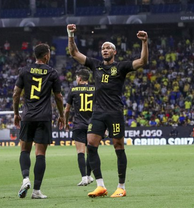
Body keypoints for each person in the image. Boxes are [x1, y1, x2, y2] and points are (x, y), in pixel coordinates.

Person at [67, 24, 148, 198]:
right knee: (91, 145)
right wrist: (71, 34)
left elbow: (142, 62)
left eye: (108, 48)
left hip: (115, 112)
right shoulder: (95, 65)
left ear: (114, 52)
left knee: (118, 146)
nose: (105, 50)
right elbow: (74, 53)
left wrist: (144, 42)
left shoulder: (121, 67)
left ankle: (121, 186)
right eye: (103, 48)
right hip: (98, 113)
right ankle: (100, 185)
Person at [13, 43, 64, 199]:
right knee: (40, 153)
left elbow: (16, 94)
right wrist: (62, 115)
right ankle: (36, 191)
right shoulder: (52, 73)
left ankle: (25, 178)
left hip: (27, 116)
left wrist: (16, 113)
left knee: (24, 150)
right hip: (44, 117)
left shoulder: (24, 71)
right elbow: (58, 97)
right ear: (46, 55)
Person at [64, 68, 95, 186]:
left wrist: (66, 122)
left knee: (80, 152)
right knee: (91, 152)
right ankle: (88, 175)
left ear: (80, 78)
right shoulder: (94, 89)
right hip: (92, 125)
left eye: (77, 77)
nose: (76, 79)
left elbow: (67, 109)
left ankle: (84, 177)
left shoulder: (73, 90)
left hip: (79, 124)